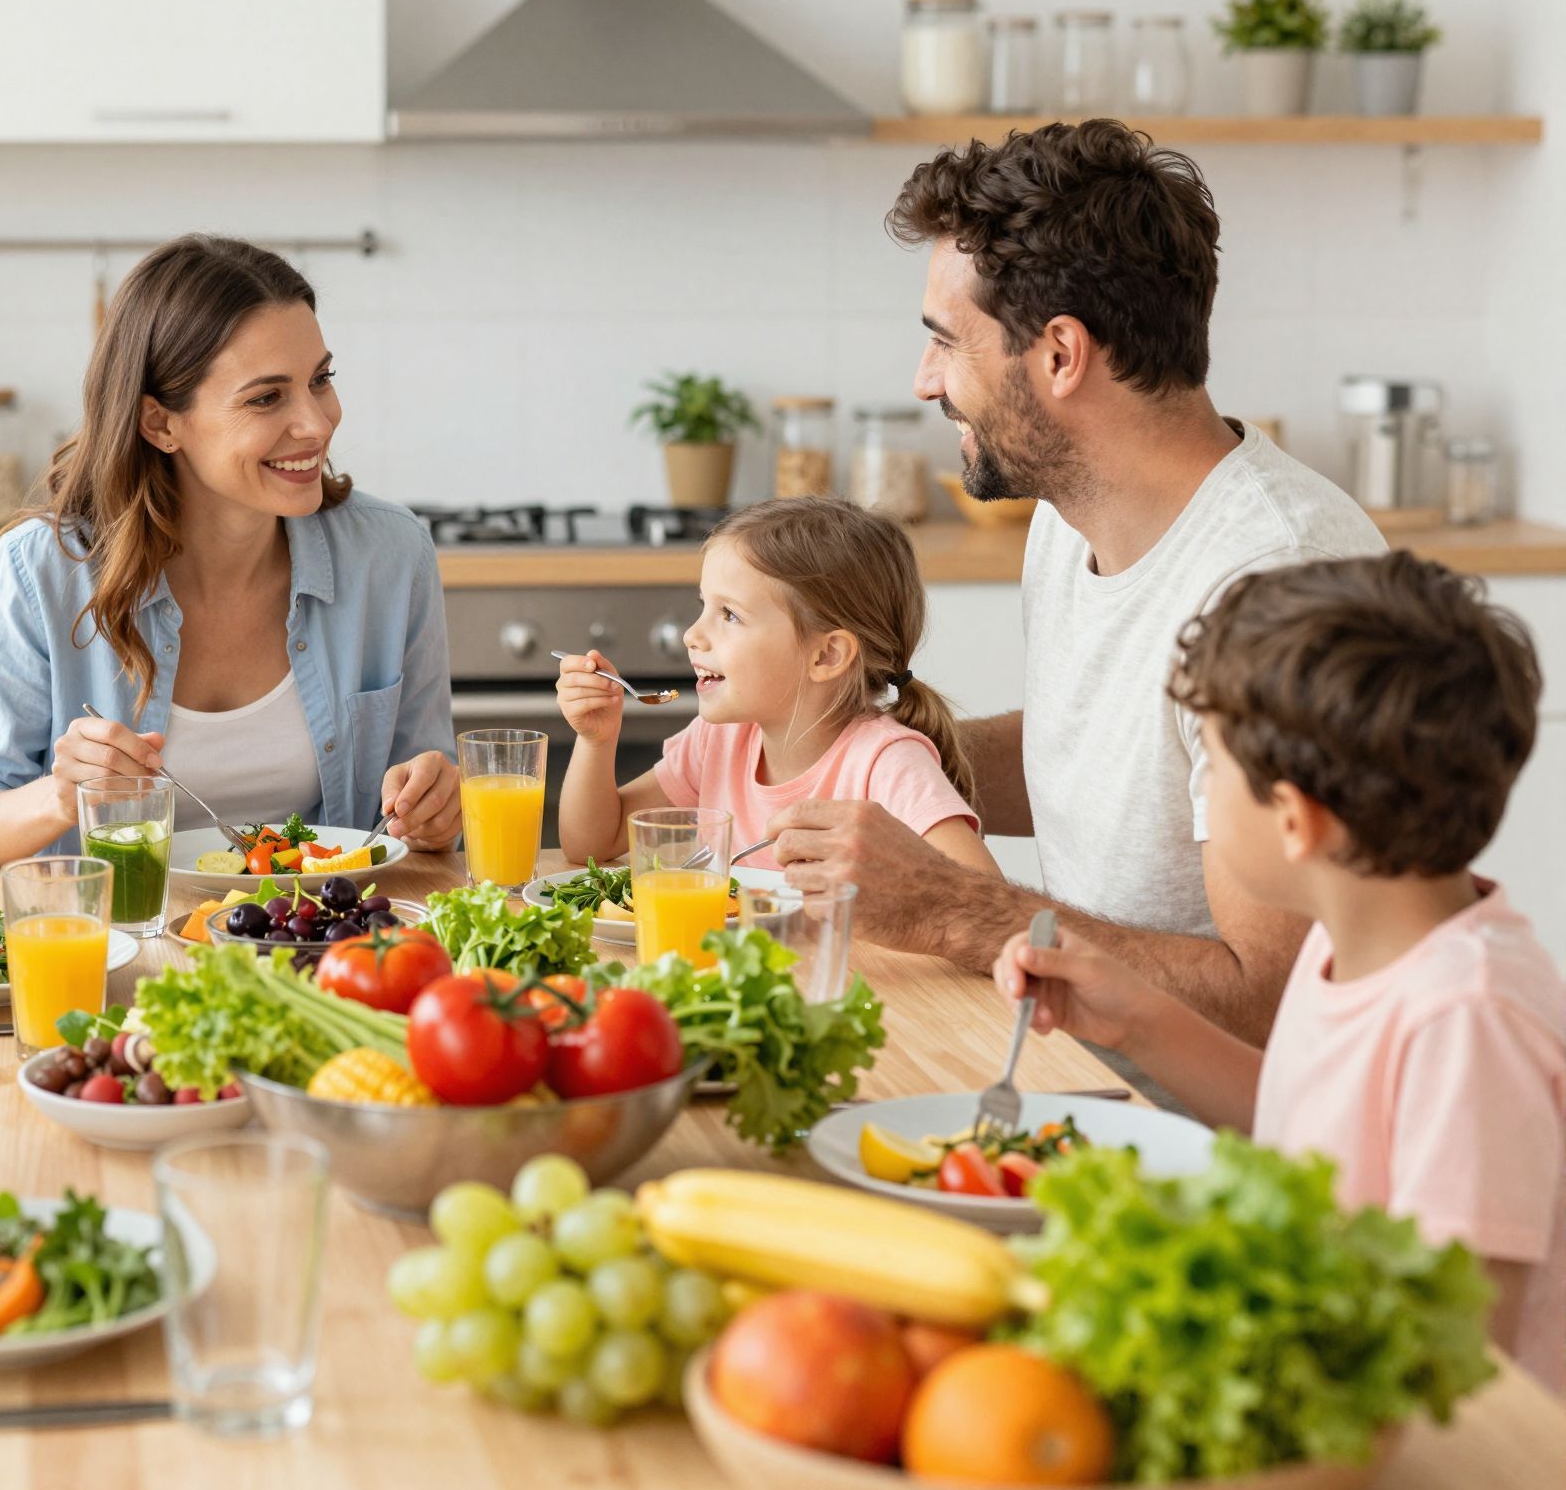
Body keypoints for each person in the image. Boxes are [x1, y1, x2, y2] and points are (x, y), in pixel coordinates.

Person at [768, 119, 1385, 1074]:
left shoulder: (1279, 584)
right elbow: (1114, 766)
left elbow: (1273, 1002)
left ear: (1060, 355)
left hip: (1224, 1130)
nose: (924, 383)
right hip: (1076, 1071)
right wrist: (859, 755)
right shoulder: (1070, 513)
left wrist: (953, 908)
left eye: (945, 342)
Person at [994, 553, 1562, 1389]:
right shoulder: (1354, 937)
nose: (1203, 789)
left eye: (1211, 767)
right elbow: (1311, 1129)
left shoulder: (1468, 1019)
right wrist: (1138, 1020)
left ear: (1295, 820)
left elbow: (1465, 1352)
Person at [0, 235, 459, 868]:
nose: (317, 422)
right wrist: (61, 798)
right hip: (117, 929)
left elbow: (432, 816)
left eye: (320, 380)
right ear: (161, 423)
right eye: (266, 397)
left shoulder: (390, 555)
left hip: (326, 926)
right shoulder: (44, 571)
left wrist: (436, 809)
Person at [557, 497, 996, 878]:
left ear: (826, 656)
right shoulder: (721, 740)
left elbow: (980, 900)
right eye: (704, 606)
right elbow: (592, 843)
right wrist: (597, 741)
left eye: (729, 615)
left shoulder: (885, 764)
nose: (692, 635)